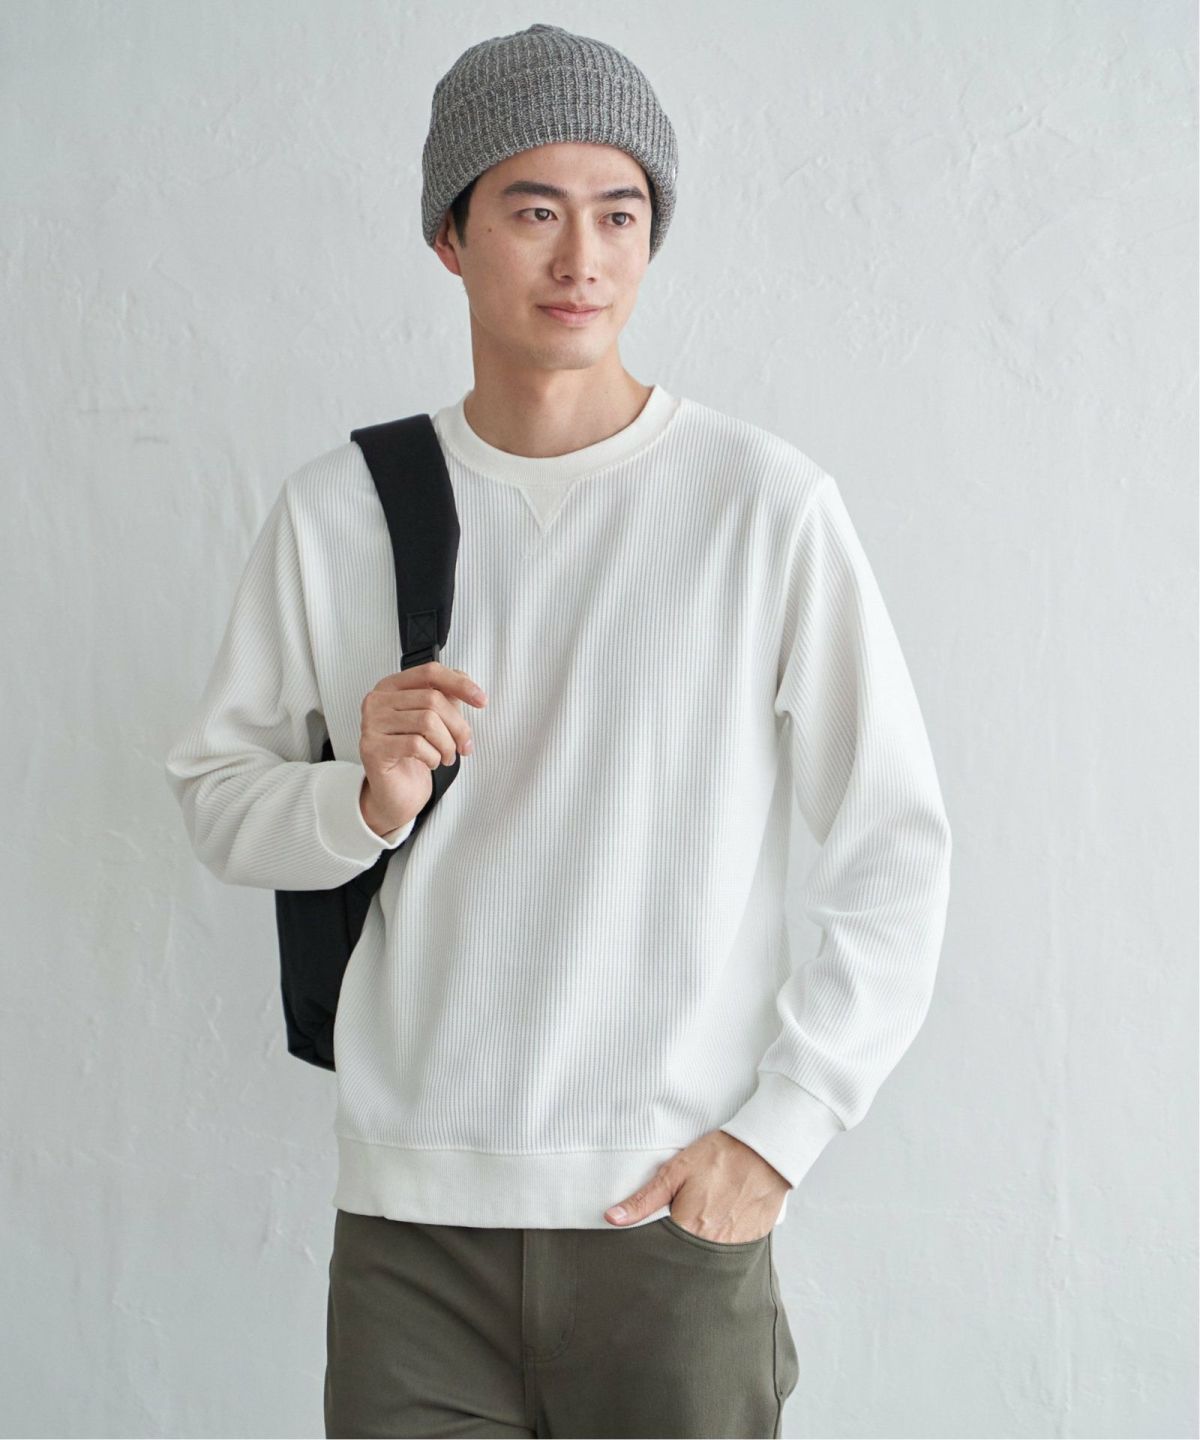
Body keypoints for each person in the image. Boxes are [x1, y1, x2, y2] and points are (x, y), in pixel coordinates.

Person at [164, 21, 953, 1440]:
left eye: (620, 213)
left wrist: (780, 1137)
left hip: (669, 1218)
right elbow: (218, 798)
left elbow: (894, 844)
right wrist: (362, 799)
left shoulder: (763, 507)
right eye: (533, 211)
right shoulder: (342, 509)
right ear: (450, 236)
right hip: (413, 1231)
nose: (582, 258)